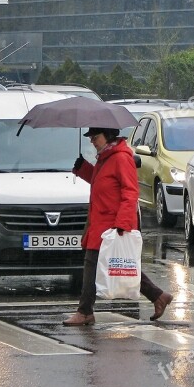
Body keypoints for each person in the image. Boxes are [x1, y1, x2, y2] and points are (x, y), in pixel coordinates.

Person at [64, 127, 173, 326]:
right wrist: (83, 168)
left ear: (108, 136)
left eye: (95, 137)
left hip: (112, 225)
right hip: (101, 224)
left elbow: (130, 191)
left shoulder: (121, 158)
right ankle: (158, 296)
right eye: (90, 138)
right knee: (119, 266)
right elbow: (102, 183)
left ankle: (85, 311)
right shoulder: (105, 157)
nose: (92, 141)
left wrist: (122, 224)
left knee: (96, 265)